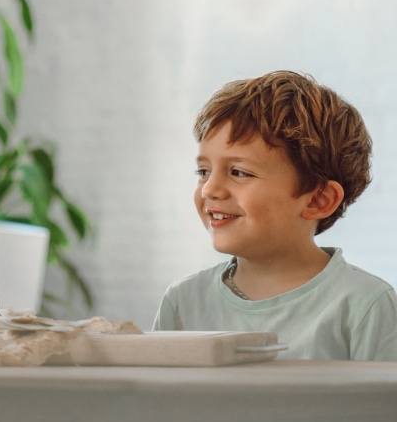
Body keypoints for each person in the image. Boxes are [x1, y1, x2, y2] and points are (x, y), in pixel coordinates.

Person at [153, 70, 397, 360]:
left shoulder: (365, 304)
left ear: (319, 199)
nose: (209, 190)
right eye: (203, 171)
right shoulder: (182, 300)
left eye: (239, 172)